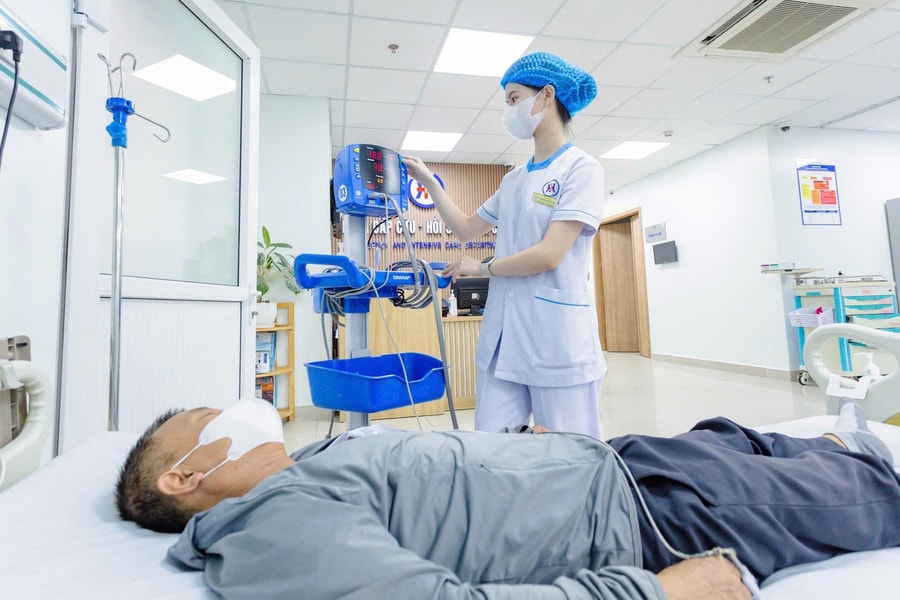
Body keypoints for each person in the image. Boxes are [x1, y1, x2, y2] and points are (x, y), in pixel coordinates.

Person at [115, 398, 900, 600]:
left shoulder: (308, 466)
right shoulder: (268, 527)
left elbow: (441, 488)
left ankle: (837, 450)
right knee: (872, 492)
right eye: (210, 418)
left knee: (754, 438)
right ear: (181, 478)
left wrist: (524, 448)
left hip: (624, 462)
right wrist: (652, 592)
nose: (236, 410)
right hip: (655, 516)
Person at [403, 52, 607, 438]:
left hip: (557, 342)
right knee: (492, 450)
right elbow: (466, 229)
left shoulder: (581, 169)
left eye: (514, 99)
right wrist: (429, 182)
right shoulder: (513, 181)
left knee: (567, 455)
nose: (509, 111)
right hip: (502, 342)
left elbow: (549, 255)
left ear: (546, 96)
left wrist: (482, 267)